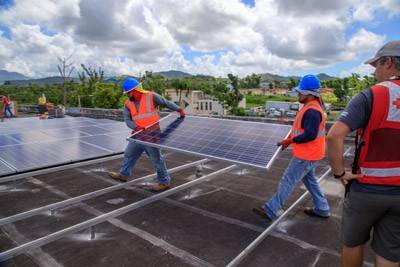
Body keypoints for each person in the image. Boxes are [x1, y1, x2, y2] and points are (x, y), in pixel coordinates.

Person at [327, 40, 400, 267]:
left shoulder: (371, 95)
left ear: (389, 62)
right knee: (389, 253)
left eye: (377, 64)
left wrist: (340, 174)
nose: (374, 69)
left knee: (352, 243)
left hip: (366, 188)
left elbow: (333, 136)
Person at [253, 74, 330, 221]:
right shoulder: (311, 107)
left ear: (309, 94)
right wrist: (289, 140)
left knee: (288, 180)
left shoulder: (312, 111)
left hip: (306, 155)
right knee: (310, 181)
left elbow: (310, 134)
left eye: (300, 92)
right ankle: (322, 209)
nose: (298, 94)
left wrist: (289, 141)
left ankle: (271, 209)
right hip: (311, 153)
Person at [108, 78, 185, 192]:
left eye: (128, 93)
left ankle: (164, 182)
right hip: (137, 135)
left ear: (135, 90)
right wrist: (136, 127)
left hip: (151, 135)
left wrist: (179, 109)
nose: (127, 95)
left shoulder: (151, 96)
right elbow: (127, 120)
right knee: (129, 154)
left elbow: (165, 102)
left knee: (156, 159)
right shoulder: (128, 104)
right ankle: (123, 175)